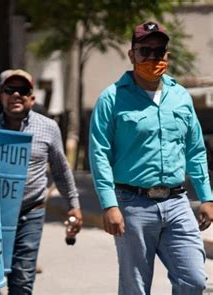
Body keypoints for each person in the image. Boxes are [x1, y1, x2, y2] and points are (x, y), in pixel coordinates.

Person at [89, 21, 213, 294]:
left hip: (177, 202)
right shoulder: (111, 98)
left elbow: (195, 149)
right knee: (136, 287)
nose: (153, 58)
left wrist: (207, 197)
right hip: (132, 204)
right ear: (132, 55)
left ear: (167, 55)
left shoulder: (180, 96)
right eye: (146, 51)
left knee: (193, 280)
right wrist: (109, 205)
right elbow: (99, 154)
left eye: (160, 51)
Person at [0, 69, 83, 294]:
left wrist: (74, 205)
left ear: (31, 97)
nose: (16, 95)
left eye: (22, 90)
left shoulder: (48, 127)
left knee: (22, 278)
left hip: (31, 212)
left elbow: (61, 170)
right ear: (1, 95)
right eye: (10, 90)